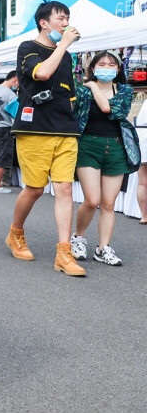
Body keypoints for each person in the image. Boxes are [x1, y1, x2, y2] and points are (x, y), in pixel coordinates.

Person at [5, 0, 85, 276]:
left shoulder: (67, 56)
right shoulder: (28, 48)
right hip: (34, 129)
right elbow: (43, 72)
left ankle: (64, 252)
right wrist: (63, 44)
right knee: (36, 189)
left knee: (64, 189)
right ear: (44, 22)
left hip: (65, 129)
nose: (66, 24)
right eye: (61, 19)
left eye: (68, 19)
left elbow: (70, 94)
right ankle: (15, 233)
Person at [70, 52, 139, 267]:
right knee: (92, 200)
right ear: (92, 68)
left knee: (108, 204)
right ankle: (78, 237)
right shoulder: (81, 91)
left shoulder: (125, 90)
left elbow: (111, 110)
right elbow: (74, 117)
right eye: (102, 64)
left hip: (117, 147)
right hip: (88, 145)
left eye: (111, 64)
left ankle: (103, 248)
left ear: (118, 70)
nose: (107, 67)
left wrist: (92, 87)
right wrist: (89, 88)